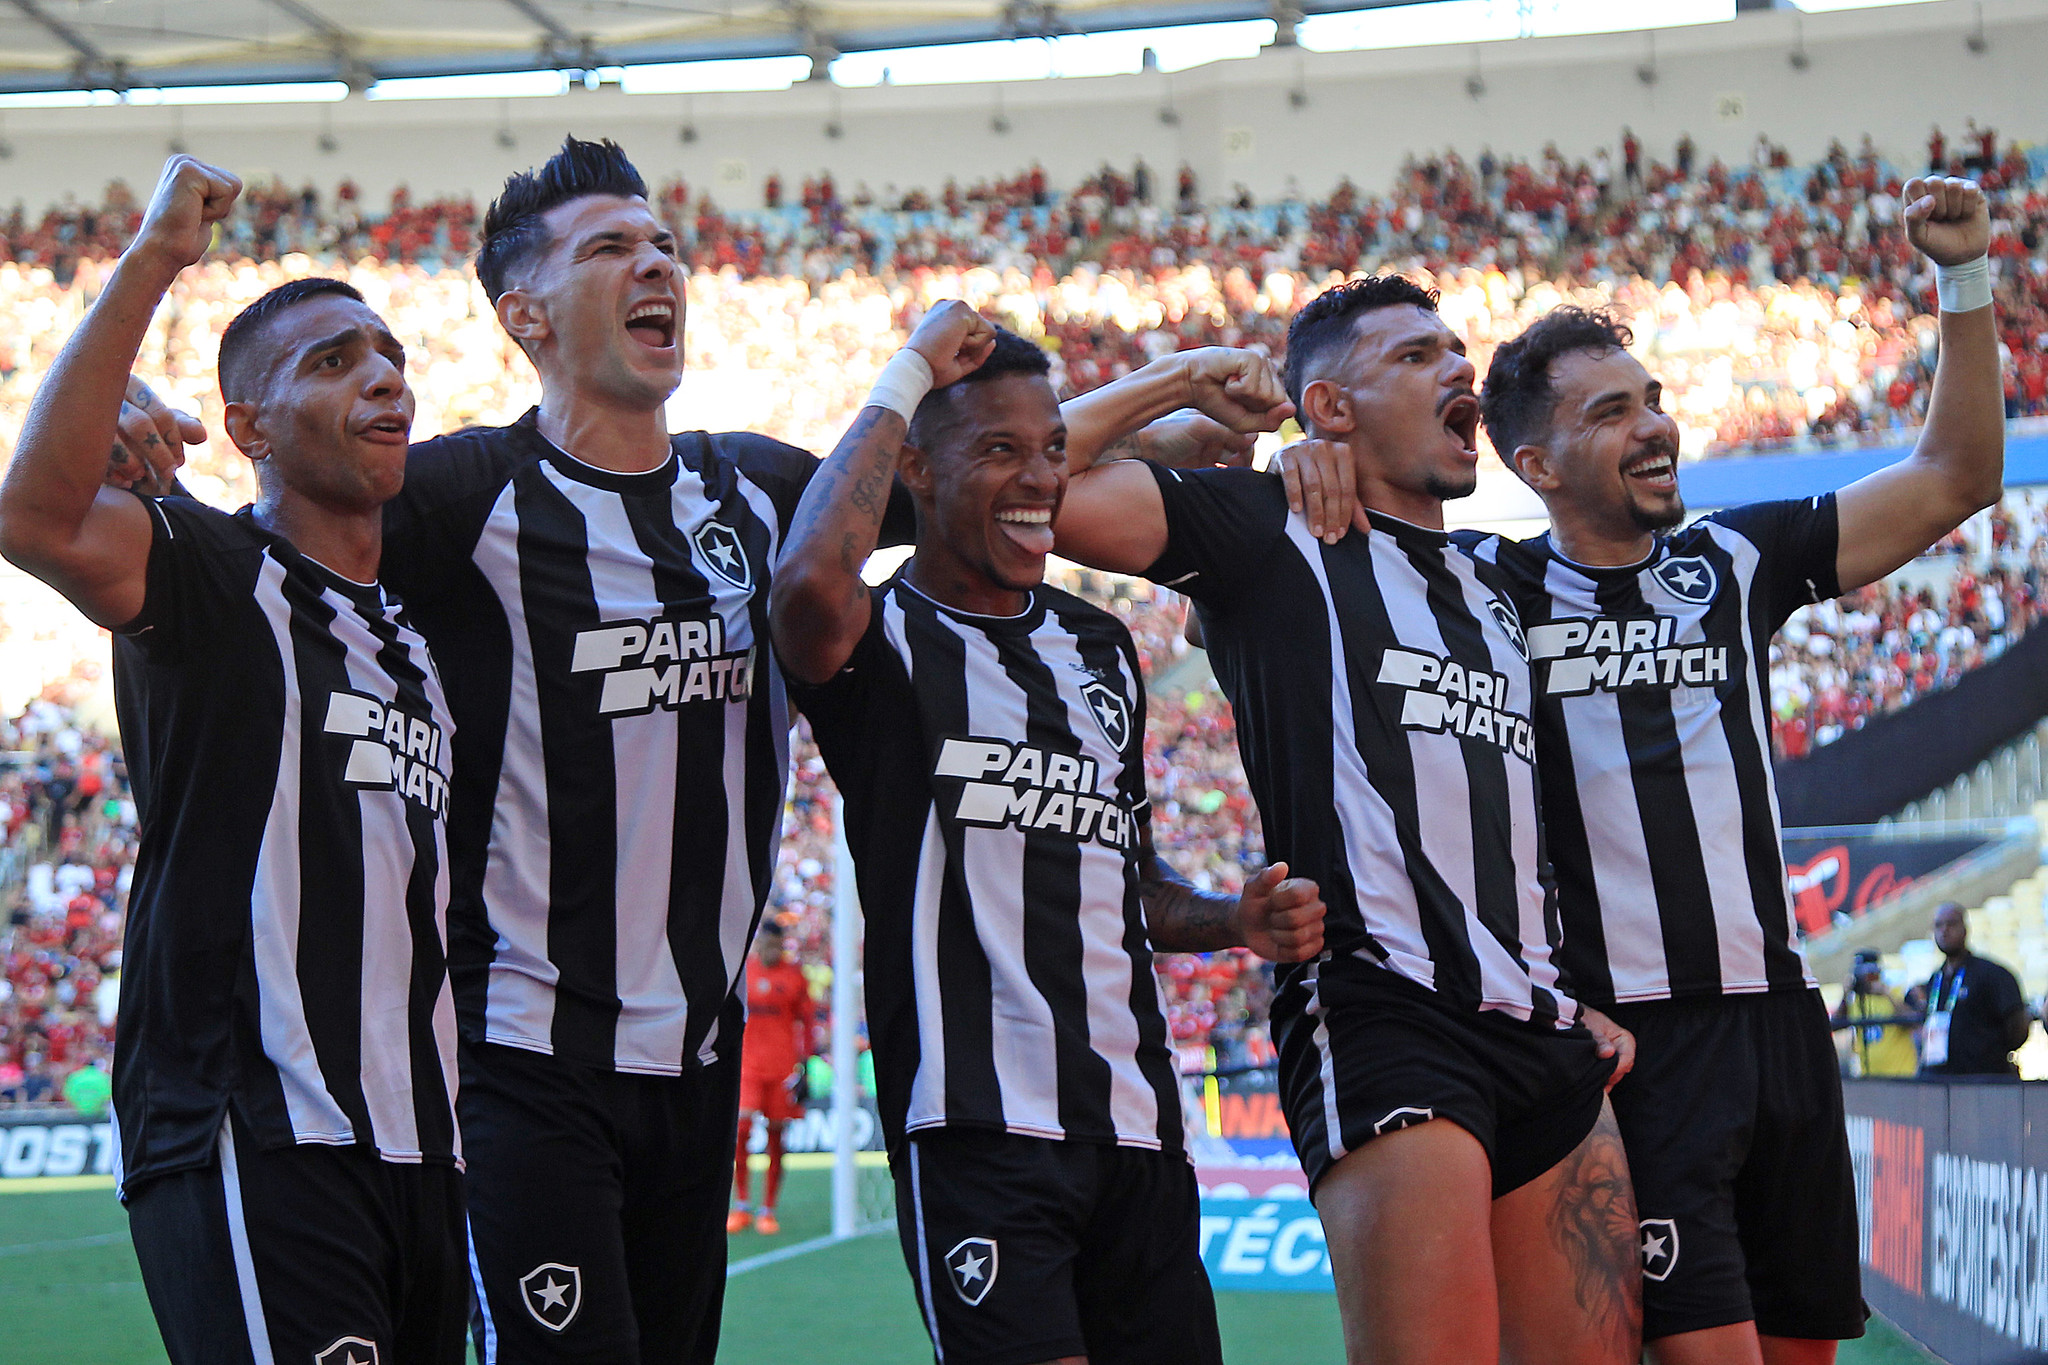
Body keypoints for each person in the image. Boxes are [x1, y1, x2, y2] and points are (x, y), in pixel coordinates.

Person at [118, 136, 1292, 1365]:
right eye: (610, 248)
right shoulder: (461, 495)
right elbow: (268, 529)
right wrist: (136, 434)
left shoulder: (756, 494)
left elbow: (978, 469)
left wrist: (1163, 388)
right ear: (524, 314)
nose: (655, 266)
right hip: (525, 1061)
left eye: (664, 244)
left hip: (695, 1071)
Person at [1443, 177, 1999, 1365]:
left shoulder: (1734, 560)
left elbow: (1954, 476)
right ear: (1534, 463)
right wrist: (1299, 460)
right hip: (1634, 1047)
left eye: (1650, 399)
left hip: (1782, 1027)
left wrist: (1962, 283)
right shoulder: (1483, 595)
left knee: (1803, 1351)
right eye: (1608, 413)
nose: (1653, 425)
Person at [1051, 275, 1645, 1365]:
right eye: (1415, 356)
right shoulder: (1273, 533)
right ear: (1327, 407)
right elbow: (1030, 482)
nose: (1459, 368)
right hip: (1385, 1015)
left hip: (1544, 1029)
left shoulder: (1501, 584)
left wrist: (1578, 994)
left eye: (1455, 350)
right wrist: (1195, 401)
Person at [771, 302, 1327, 1365]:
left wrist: (1231, 920)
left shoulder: (1097, 648)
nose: (1036, 482)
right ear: (918, 475)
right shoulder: (877, 637)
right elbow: (802, 585)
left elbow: (1133, 887)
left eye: (1052, 455)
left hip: (1138, 1137)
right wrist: (903, 376)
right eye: (997, 452)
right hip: (977, 1131)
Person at [0, 156, 466, 1364]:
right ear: (248, 429)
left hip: (421, 1149)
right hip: (251, 1124)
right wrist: (155, 258)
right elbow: (33, 518)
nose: (381, 378)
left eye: (388, 356)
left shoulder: (414, 639)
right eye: (332, 362)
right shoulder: (208, 571)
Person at [728, 932, 817, 1235]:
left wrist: (805, 1066)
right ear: (758, 945)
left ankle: (768, 1209)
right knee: (740, 1129)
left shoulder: (794, 976)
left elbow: (808, 1023)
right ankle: (741, 1204)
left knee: (776, 1135)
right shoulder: (744, 971)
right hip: (748, 1067)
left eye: (777, 945)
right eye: (767, 944)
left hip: (782, 1069)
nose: (771, 950)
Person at [1910, 902, 2030, 1077]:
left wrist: (1990, 1055)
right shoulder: (1935, 979)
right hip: (1941, 1082)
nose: (1944, 930)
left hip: (1983, 1081)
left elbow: (2017, 1025)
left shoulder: (1993, 975)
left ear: (1965, 929)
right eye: (1938, 925)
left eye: (1951, 924)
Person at [1828, 950, 1917, 1078]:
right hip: (1871, 1077)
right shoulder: (1856, 1001)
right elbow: (1834, 1025)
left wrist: (1887, 994)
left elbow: (1912, 1021)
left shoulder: (1895, 993)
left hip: (1900, 1074)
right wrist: (1845, 995)